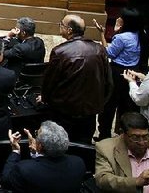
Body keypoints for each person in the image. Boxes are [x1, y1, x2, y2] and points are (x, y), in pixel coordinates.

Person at [40, 15, 112, 144]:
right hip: (89, 112)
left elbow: (50, 82)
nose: (59, 26)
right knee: (83, 145)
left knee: (60, 144)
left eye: (61, 24)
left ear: (69, 30)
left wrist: (45, 98)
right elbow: (108, 82)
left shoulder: (60, 52)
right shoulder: (99, 49)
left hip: (64, 112)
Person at [94, 112, 149, 193]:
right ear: (122, 134)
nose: (142, 142)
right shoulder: (106, 148)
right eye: (135, 137)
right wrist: (136, 181)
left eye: (145, 137)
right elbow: (103, 180)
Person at [94, 8, 141, 140]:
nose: (118, 18)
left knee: (108, 105)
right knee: (126, 105)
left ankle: (104, 136)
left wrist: (102, 34)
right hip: (132, 72)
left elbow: (108, 53)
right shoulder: (140, 34)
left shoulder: (121, 38)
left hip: (117, 72)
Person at [2, 121, 86, 193]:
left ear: (40, 146)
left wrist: (15, 151)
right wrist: (35, 153)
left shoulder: (24, 169)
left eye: (36, 134)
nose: (35, 136)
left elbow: (6, 181)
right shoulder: (78, 163)